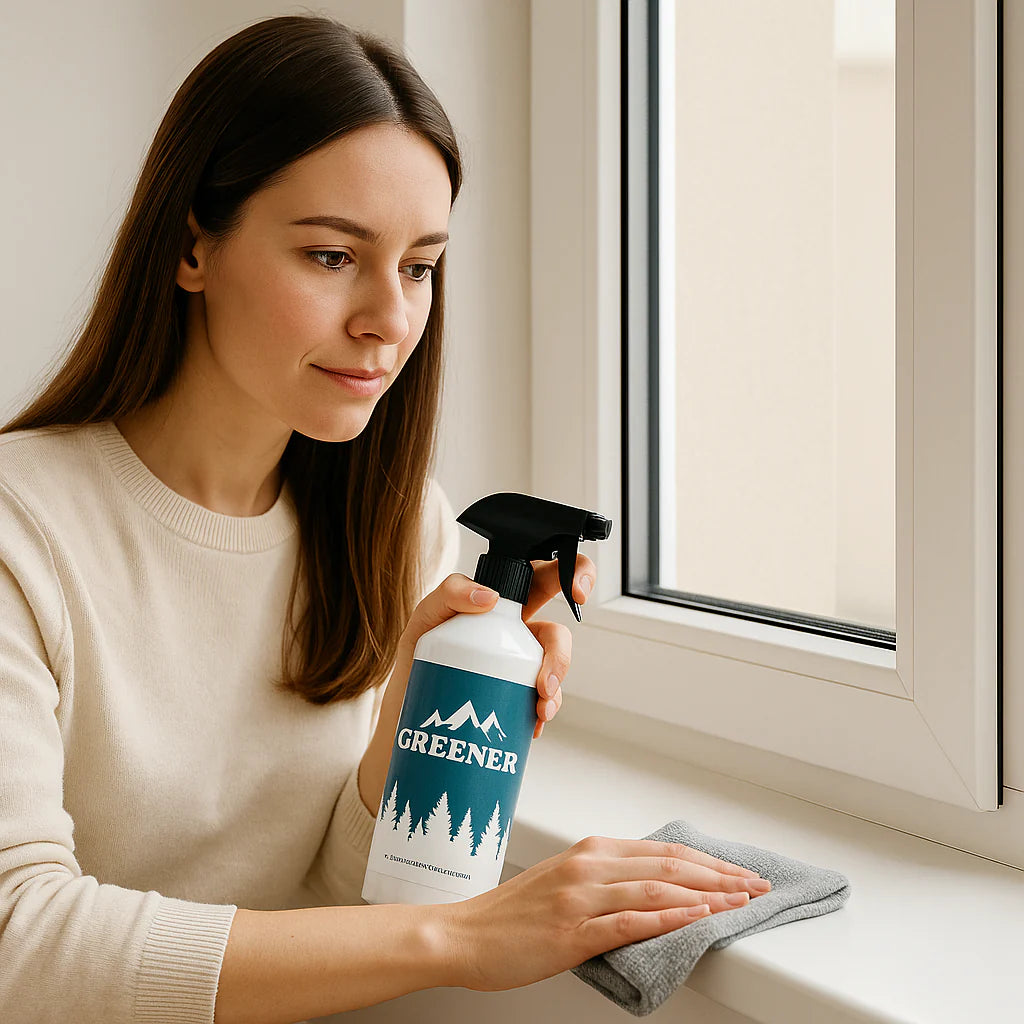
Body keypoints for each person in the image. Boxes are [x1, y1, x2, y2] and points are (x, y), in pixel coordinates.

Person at [0, 14, 770, 1024]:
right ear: (194, 245)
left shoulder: (397, 523)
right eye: (331, 256)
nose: (389, 319)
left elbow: (325, 903)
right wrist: (465, 934)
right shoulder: (26, 529)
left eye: (419, 265)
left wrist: (418, 714)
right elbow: (20, 944)